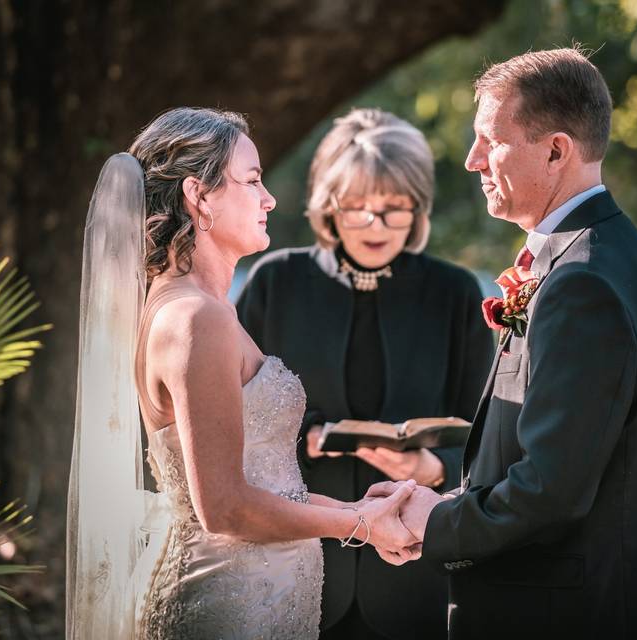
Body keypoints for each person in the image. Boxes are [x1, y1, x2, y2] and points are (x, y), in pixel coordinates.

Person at [65, 107, 420, 640]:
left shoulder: (206, 309)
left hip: (265, 599)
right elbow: (226, 508)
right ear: (199, 196)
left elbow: (265, 484)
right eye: (252, 180)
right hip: (228, 607)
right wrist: (358, 524)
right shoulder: (194, 318)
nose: (269, 198)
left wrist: (353, 512)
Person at [371, 49, 637, 638]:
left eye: (490, 140)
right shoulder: (598, 256)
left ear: (555, 150)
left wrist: (436, 524)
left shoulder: (585, 281)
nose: (471, 161)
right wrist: (443, 503)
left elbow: (551, 489)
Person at [236, 108, 493, 639]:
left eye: (394, 209)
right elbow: (228, 422)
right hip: (291, 566)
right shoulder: (274, 283)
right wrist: (301, 438)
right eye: (357, 209)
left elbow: (487, 434)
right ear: (329, 207)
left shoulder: (456, 293)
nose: (376, 227)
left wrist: (433, 466)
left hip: (414, 576)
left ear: (418, 209)